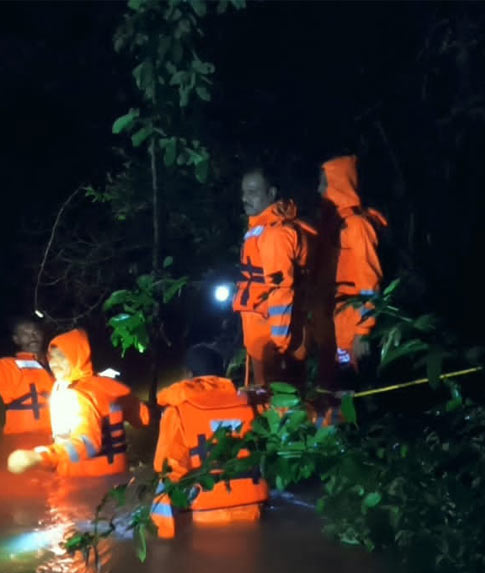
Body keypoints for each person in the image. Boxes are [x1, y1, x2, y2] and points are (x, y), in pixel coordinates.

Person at [149, 344, 269, 539]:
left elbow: (167, 468)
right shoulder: (251, 405)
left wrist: (162, 537)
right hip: (253, 509)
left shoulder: (177, 411)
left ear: (188, 375)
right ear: (223, 373)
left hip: (205, 515)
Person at [6, 329, 141, 477]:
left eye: (62, 357)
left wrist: (40, 457)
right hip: (116, 473)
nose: (54, 363)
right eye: (52, 357)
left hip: (86, 477)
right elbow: (144, 417)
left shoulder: (77, 395)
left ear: (77, 357)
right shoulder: (106, 386)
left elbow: (88, 443)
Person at [234, 168, 316, 385]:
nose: (245, 198)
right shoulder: (261, 229)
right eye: (244, 192)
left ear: (271, 193)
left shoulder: (275, 235)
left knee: (276, 399)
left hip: (273, 340)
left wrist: (279, 345)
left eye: (252, 192)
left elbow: (281, 291)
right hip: (264, 337)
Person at [319, 155, 387, 376]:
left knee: (358, 386)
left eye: (325, 183)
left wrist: (363, 331)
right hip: (343, 328)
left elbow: (370, 281)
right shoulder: (339, 226)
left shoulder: (357, 226)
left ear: (339, 184)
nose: (320, 190)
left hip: (355, 332)